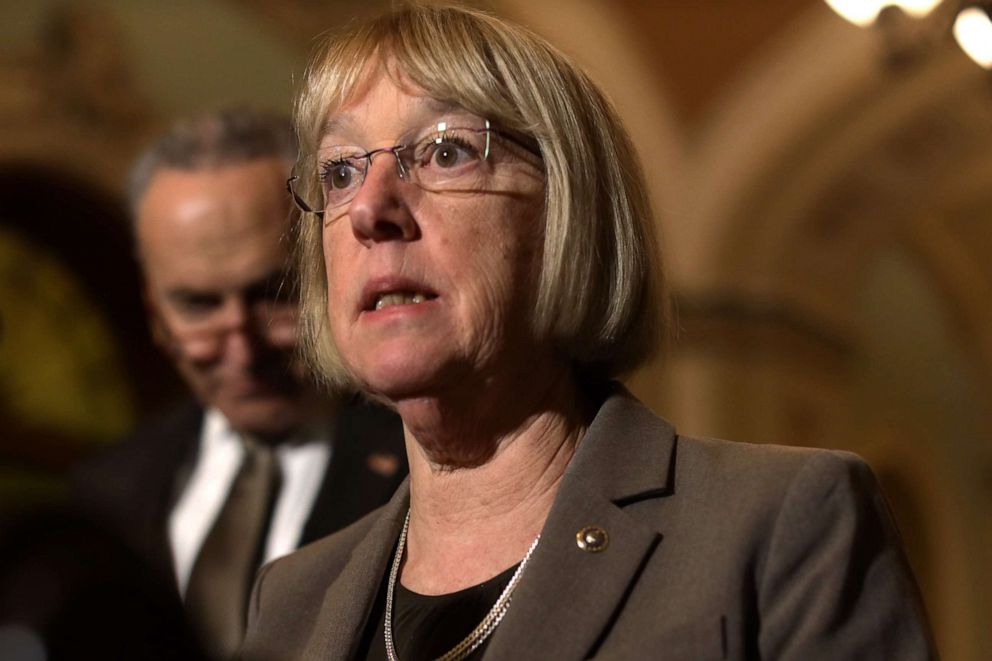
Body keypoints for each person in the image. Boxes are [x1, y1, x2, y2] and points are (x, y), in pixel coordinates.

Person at [241, 6, 936, 660]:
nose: (370, 207)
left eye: (446, 151)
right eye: (339, 171)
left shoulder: (781, 525)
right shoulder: (291, 601)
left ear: (571, 213)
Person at [73, 108, 406, 659]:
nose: (242, 348)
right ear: (155, 314)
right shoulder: (104, 495)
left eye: (275, 294)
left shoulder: (429, 466)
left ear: (332, 272)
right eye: (198, 305)